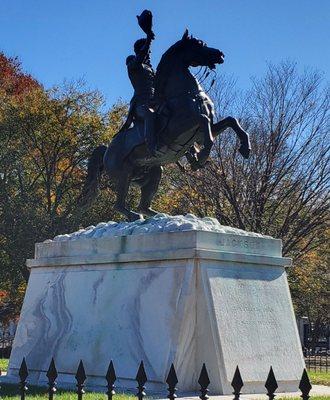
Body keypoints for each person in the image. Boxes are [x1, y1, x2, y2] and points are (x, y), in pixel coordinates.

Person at [119, 10, 157, 155]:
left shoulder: (150, 69)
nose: (149, 54)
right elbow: (141, 56)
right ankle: (151, 146)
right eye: (147, 52)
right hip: (141, 105)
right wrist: (148, 39)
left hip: (155, 101)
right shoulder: (133, 65)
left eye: (149, 53)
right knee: (149, 113)